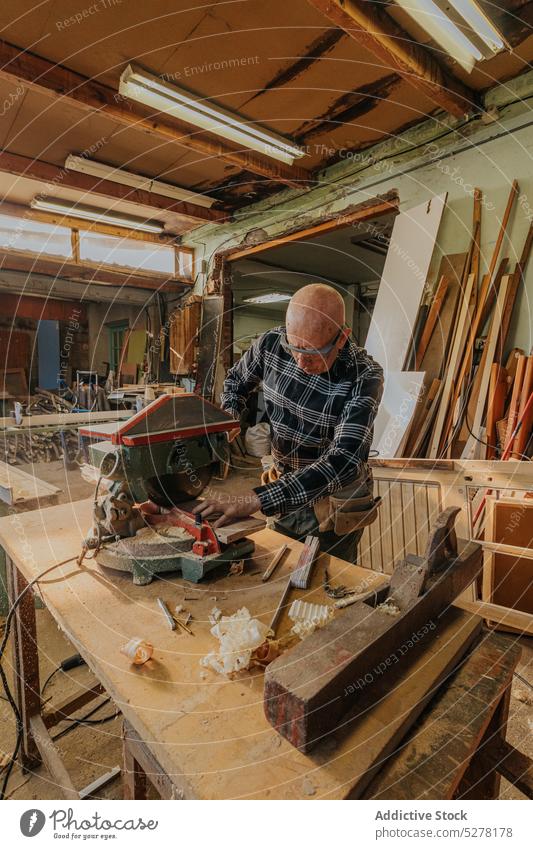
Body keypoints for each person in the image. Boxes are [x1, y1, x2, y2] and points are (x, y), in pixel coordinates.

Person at [193, 283, 384, 562]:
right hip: (282, 486)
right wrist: (230, 417)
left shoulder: (364, 376)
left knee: (329, 584)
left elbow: (344, 460)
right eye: (294, 348)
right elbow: (235, 382)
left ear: (341, 338)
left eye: (311, 354)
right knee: (280, 568)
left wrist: (257, 499)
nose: (300, 362)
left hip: (332, 503)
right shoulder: (272, 343)